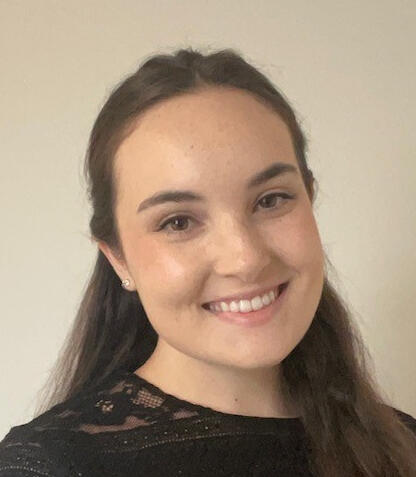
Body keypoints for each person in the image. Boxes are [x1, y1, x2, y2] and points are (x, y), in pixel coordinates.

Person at [0, 47, 415, 477]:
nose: (246, 259)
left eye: (271, 200)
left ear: (309, 199)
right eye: (178, 222)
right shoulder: (49, 466)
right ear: (117, 258)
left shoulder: (404, 446)